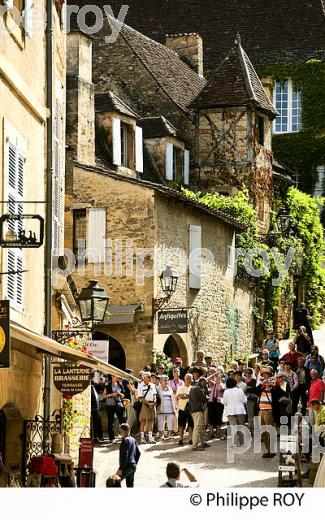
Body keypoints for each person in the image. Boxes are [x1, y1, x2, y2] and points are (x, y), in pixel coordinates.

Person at [222, 378, 247, 446]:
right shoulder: (240, 390)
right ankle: (243, 443)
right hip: (240, 410)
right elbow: (245, 400)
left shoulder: (226, 391)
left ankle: (234, 443)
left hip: (230, 410)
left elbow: (224, 402)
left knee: (233, 428)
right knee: (240, 426)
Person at [256, 373, 276, 458]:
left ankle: (272, 450)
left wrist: (273, 385)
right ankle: (269, 450)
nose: (267, 382)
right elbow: (254, 390)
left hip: (269, 411)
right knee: (262, 432)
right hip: (261, 411)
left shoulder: (274, 390)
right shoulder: (262, 389)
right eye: (266, 380)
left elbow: (281, 391)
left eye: (270, 380)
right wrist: (261, 383)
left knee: (269, 431)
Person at [116, 423, 141, 488]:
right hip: (133, 466)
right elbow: (138, 453)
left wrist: (121, 468)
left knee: (114, 481)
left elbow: (124, 456)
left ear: (122, 431)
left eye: (120, 431)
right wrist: (134, 463)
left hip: (126, 467)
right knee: (130, 485)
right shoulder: (133, 439)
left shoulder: (124, 441)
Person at [102, 376, 125, 442]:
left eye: (117, 376)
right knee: (111, 421)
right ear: (112, 377)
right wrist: (111, 395)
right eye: (115, 376)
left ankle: (124, 436)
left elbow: (123, 395)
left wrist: (119, 393)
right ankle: (111, 438)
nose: (116, 378)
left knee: (122, 420)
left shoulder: (120, 385)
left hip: (118, 404)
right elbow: (103, 396)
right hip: (110, 405)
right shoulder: (108, 385)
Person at [189, 376, 209, 451]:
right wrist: (206, 393)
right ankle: (195, 445)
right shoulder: (198, 389)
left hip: (194, 410)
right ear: (201, 382)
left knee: (200, 427)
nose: (206, 384)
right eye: (205, 383)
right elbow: (204, 398)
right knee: (197, 428)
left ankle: (202, 442)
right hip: (197, 410)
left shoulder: (193, 388)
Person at [137, 371, 157, 444]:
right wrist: (148, 403)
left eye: (149, 377)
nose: (148, 378)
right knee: (143, 421)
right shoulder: (140, 385)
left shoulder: (152, 385)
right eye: (146, 377)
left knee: (151, 421)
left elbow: (155, 395)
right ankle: (142, 438)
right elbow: (140, 397)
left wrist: (154, 403)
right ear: (143, 377)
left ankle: (150, 438)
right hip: (145, 404)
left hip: (152, 404)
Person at [156, 375, 176, 439]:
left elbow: (172, 398)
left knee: (170, 421)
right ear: (161, 381)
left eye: (167, 380)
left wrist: (174, 408)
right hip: (161, 408)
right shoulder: (157, 388)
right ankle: (161, 435)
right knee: (161, 422)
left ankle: (170, 435)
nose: (166, 381)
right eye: (165, 380)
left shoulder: (170, 388)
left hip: (170, 408)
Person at [177, 373, 194, 446]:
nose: (189, 380)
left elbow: (193, 397)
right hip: (182, 408)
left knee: (191, 424)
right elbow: (181, 396)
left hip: (191, 408)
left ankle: (191, 439)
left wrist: (186, 395)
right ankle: (181, 439)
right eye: (187, 378)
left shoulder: (193, 388)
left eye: (190, 378)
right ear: (184, 379)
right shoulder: (180, 388)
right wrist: (189, 396)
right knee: (181, 425)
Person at [208, 370, 225, 439]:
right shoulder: (213, 384)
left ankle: (218, 432)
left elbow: (221, 389)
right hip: (212, 402)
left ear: (221, 378)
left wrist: (219, 383)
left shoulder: (223, 384)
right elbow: (208, 379)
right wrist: (214, 374)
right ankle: (211, 432)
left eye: (218, 377)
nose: (217, 378)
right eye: (216, 377)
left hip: (219, 402)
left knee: (218, 417)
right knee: (211, 417)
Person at [244, 368, 259, 434]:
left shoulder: (254, 380)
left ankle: (251, 429)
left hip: (251, 399)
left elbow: (255, 390)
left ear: (251, 373)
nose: (247, 374)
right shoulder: (243, 380)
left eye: (249, 372)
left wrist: (248, 389)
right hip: (243, 399)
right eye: (246, 372)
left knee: (252, 414)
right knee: (246, 415)